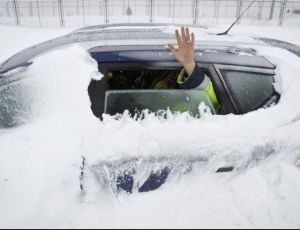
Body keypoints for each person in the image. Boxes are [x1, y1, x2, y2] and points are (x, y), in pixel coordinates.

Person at [151, 27, 220, 111]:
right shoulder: (157, 90)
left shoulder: (191, 108)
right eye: (172, 73)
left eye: (178, 73)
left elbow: (210, 104)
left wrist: (189, 64)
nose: (173, 76)